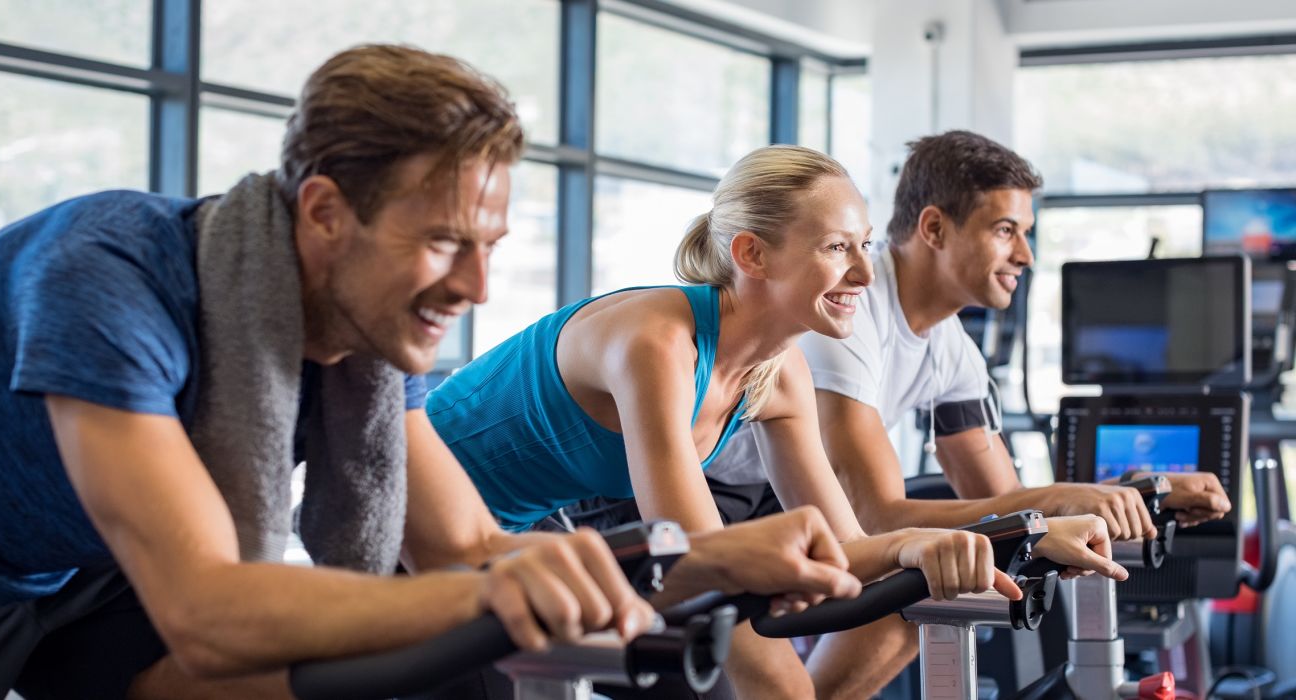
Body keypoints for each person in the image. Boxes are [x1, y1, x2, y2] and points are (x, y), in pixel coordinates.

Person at [0, 45, 867, 700]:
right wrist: (494, 597)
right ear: (322, 212)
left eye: (487, 242)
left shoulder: (361, 327)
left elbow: (462, 543)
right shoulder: (103, 281)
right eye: (444, 241)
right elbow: (207, 606)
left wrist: (695, 566)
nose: (476, 285)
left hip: (81, 566)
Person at [426, 144, 1127, 699]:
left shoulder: (778, 371)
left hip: (536, 528)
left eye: (862, 245)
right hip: (429, 513)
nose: (863, 274)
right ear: (753, 255)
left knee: (783, 688)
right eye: (836, 248)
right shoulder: (657, 343)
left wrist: (1010, 535)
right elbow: (698, 553)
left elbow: (849, 542)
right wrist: (927, 539)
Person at [704, 130, 1234, 697]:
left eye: (1025, 234)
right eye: (1005, 230)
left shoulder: (952, 348)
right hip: (716, 505)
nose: (1025, 256)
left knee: (934, 588)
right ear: (933, 228)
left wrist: (1130, 492)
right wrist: (1056, 501)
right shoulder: (848, 311)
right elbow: (875, 515)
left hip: (791, 506)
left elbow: (1005, 503)